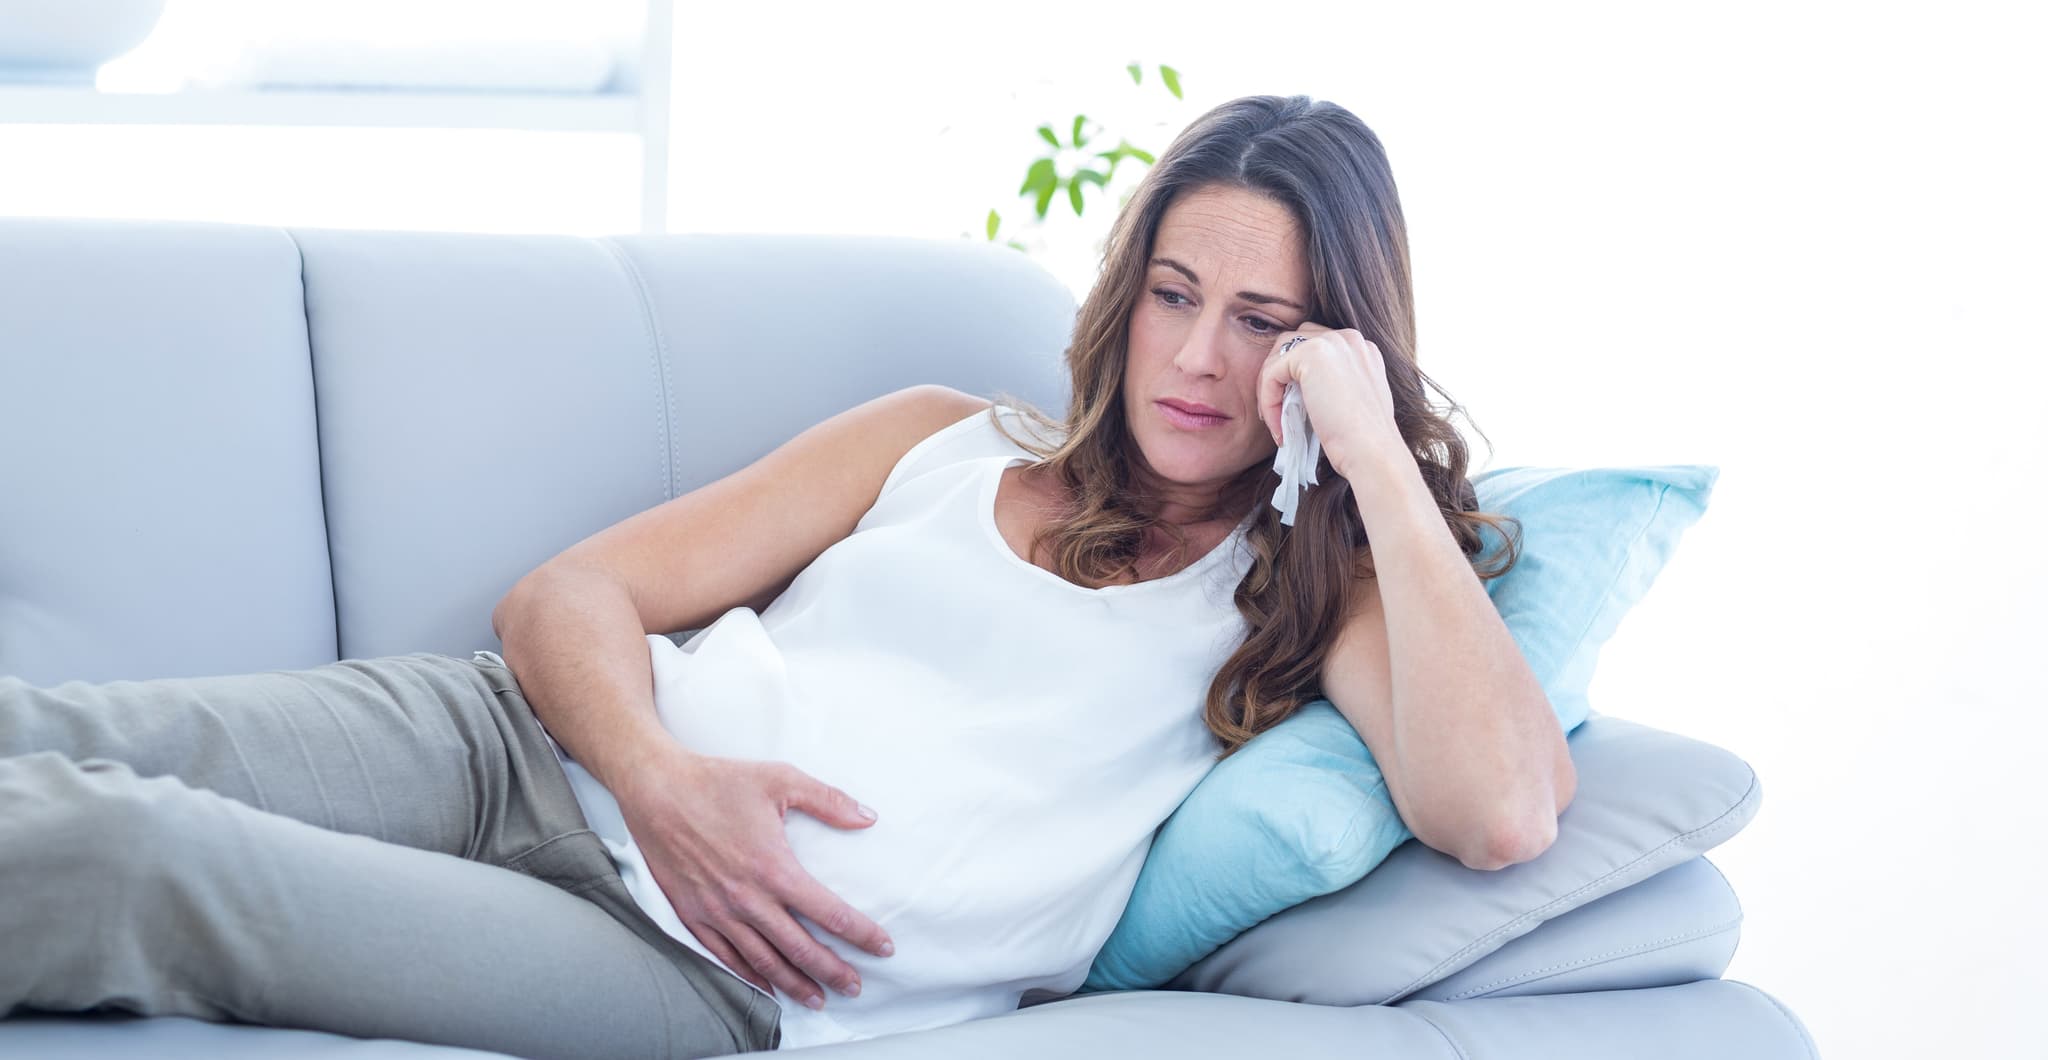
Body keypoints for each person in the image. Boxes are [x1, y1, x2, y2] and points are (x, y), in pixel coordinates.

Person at [0, 94, 1573, 1059]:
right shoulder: (947, 440)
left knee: (129, 856)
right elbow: (566, 599)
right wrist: (665, 780)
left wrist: (1369, 452)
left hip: (691, 966)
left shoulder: (1313, 604)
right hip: (516, 741)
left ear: (1333, 343)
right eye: (1173, 292)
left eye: (1261, 321)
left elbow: (1502, 810)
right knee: (66, 735)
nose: (1195, 356)